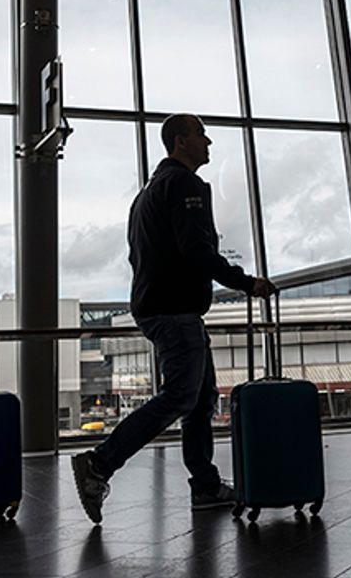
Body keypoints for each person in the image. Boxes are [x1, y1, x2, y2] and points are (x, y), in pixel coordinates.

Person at [71, 114, 277, 524]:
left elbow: (138, 255)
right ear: (181, 141)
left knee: (200, 400)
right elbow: (197, 250)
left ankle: (205, 485)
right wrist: (246, 282)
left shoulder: (147, 194)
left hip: (162, 307)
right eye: (201, 135)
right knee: (182, 396)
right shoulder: (184, 185)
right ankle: (100, 463)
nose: (209, 142)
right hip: (174, 310)